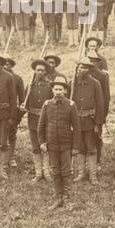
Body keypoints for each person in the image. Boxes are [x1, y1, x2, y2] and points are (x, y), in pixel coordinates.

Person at [38, 74, 80, 207]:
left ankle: (67, 199)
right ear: (52, 90)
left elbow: (77, 128)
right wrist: (42, 142)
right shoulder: (47, 105)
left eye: (61, 90)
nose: (58, 92)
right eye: (56, 89)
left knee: (66, 172)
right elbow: (41, 125)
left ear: (65, 91)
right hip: (52, 145)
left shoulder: (71, 105)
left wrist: (75, 147)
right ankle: (58, 198)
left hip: (66, 144)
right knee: (55, 171)